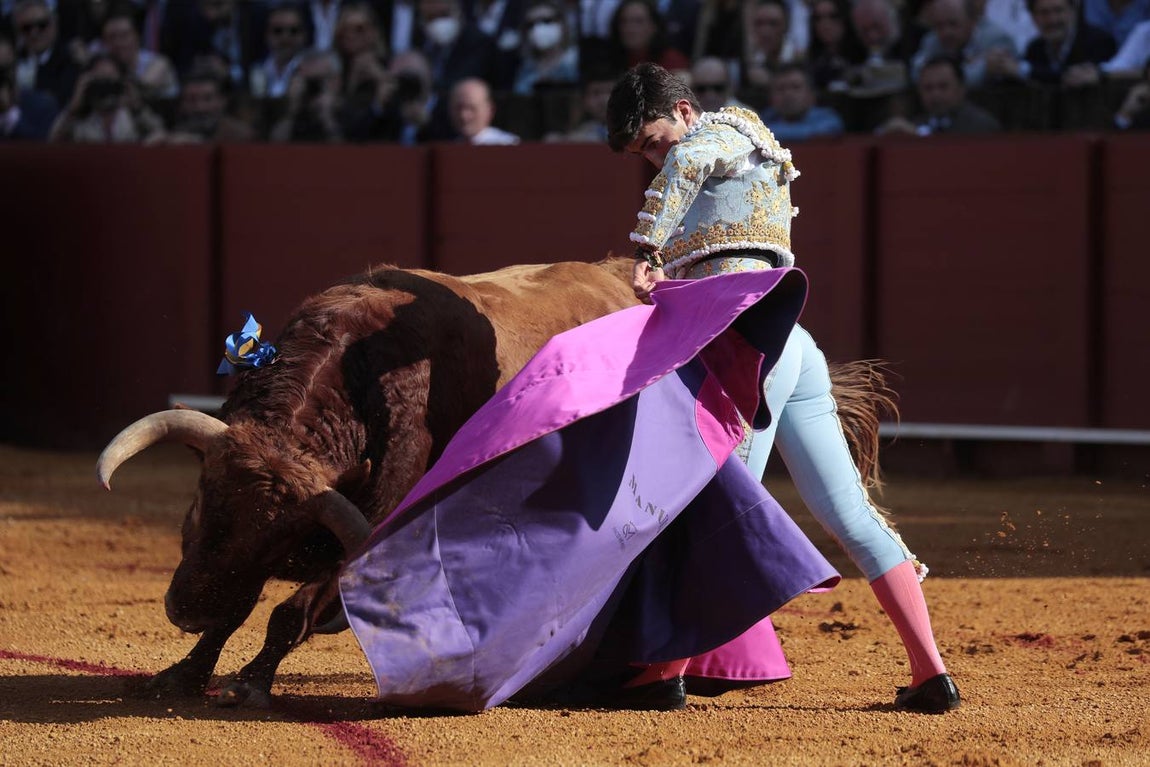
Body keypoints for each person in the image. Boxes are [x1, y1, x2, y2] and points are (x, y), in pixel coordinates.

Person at [606, 62, 961, 713]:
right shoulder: (738, 148)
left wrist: (649, 249)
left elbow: (685, 166)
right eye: (644, 154)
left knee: (717, 504)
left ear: (685, 112)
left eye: (655, 140)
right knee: (849, 514)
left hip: (752, 349)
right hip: (791, 346)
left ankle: (665, 675)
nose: (657, 159)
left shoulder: (716, 135)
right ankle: (929, 672)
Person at [990, 0, 1116, 85]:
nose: (1052, 20)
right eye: (1044, 13)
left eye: (1058, 10)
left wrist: (1023, 70)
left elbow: (1070, 76)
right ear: (1033, 17)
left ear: (1072, 11)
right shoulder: (1035, 48)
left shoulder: (1098, 42)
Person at [47, 51, 164, 142]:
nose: (105, 87)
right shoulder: (78, 119)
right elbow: (54, 140)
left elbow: (161, 136)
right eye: (100, 81)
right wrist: (73, 107)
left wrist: (137, 107)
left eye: (110, 80)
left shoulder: (132, 115)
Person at [878, 53, 1003, 133]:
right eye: (928, 88)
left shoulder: (981, 126)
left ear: (961, 89)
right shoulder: (914, 124)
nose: (935, 94)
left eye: (943, 87)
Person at [911, 0, 1018, 88]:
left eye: (953, 24)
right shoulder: (932, 41)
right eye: (939, 26)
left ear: (972, 22)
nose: (946, 32)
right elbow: (917, 75)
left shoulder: (997, 39)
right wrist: (981, 68)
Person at [11, 0, 79, 107]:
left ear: (54, 25)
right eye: (26, 28)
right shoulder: (11, 62)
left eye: (41, 25)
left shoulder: (70, 60)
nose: (34, 33)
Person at [100, 10, 179, 100]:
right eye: (112, 37)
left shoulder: (158, 62)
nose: (118, 43)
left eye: (124, 36)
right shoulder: (101, 63)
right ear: (104, 43)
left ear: (136, 36)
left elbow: (144, 88)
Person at [759, 61, 846, 141]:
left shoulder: (828, 119)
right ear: (771, 97)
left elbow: (829, 129)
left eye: (796, 87)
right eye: (781, 89)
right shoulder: (764, 119)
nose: (788, 94)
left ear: (811, 95)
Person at [510, 0, 578, 95]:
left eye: (546, 21)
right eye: (531, 24)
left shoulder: (575, 63)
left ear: (562, 24)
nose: (538, 28)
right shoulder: (525, 68)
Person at [249, 4, 307, 99]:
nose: (286, 37)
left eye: (294, 31)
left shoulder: (311, 72)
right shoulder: (256, 71)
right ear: (267, 35)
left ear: (304, 35)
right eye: (278, 31)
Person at [449, 74, 518, 142]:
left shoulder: (508, 145)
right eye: (458, 108)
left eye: (472, 108)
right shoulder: (445, 147)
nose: (464, 116)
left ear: (490, 110)